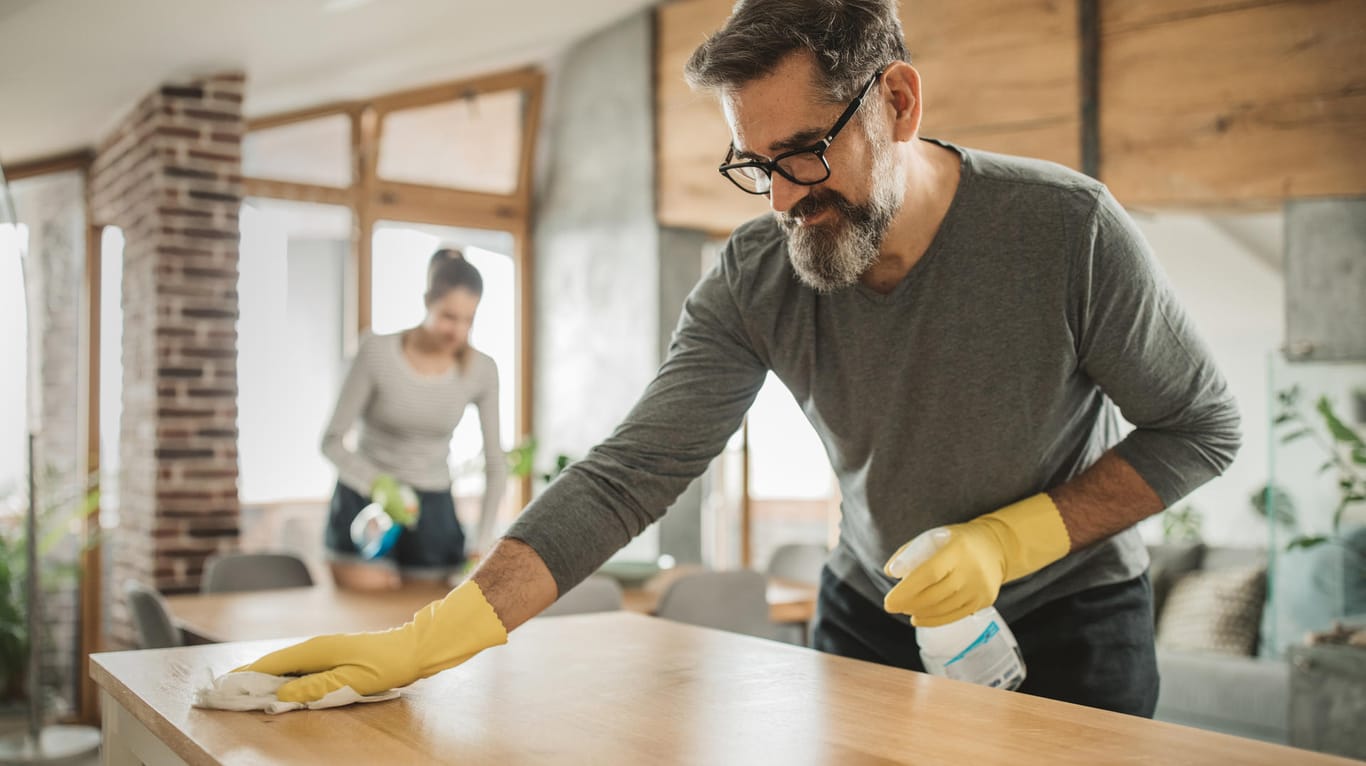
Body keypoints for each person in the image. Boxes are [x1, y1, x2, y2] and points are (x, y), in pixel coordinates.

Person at [240, 0, 1240, 717]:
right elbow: (631, 474)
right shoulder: (756, 274)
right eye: (752, 164)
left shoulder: (1066, 231)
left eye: (803, 149)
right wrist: (433, 636)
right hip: (871, 609)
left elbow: (1201, 426)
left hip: (1068, 614)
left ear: (896, 100)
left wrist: (1012, 539)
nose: (778, 198)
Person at [319, 247, 506, 587]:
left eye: (469, 319)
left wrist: (481, 543)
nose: (458, 331)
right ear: (426, 302)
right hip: (364, 502)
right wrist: (376, 483)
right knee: (365, 622)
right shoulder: (376, 352)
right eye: (449, 316)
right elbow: (331, 441)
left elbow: (496, 463)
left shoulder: (481, 370)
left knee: (425, 623)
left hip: (433, 511)